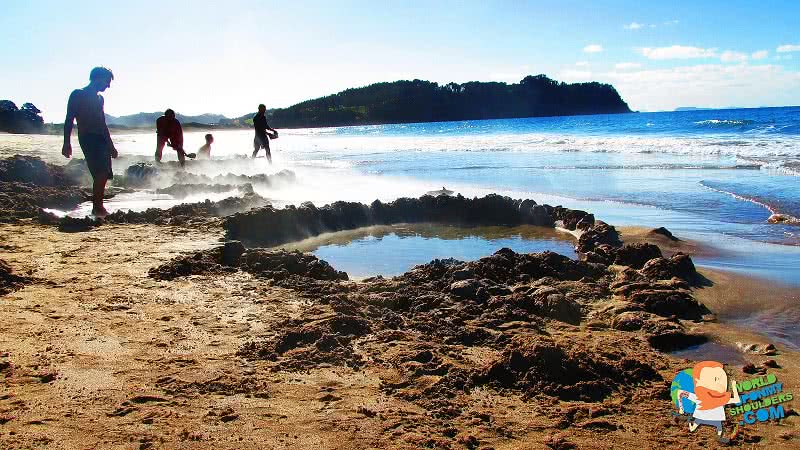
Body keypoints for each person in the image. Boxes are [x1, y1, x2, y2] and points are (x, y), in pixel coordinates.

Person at [62, 66, 117, 217]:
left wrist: (111, 145)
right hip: (88, 137)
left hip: (101, 139)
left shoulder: (100, 99)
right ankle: (97, 207)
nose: (108, 85)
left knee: (104, 173)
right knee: (100, 172)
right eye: (107, 81)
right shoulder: (78, 94)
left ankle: (98, 205)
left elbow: (102, 123)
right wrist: (67, 142)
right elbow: (69, 119)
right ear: (97, 78)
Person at [677, 361, 741, 444]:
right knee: (717, 430)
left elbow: (680, 393)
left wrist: (681, 408)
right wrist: (734, 388)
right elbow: (736, 400)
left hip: (704, 419)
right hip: (709, 419)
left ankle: (690, 421)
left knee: (697, 428)